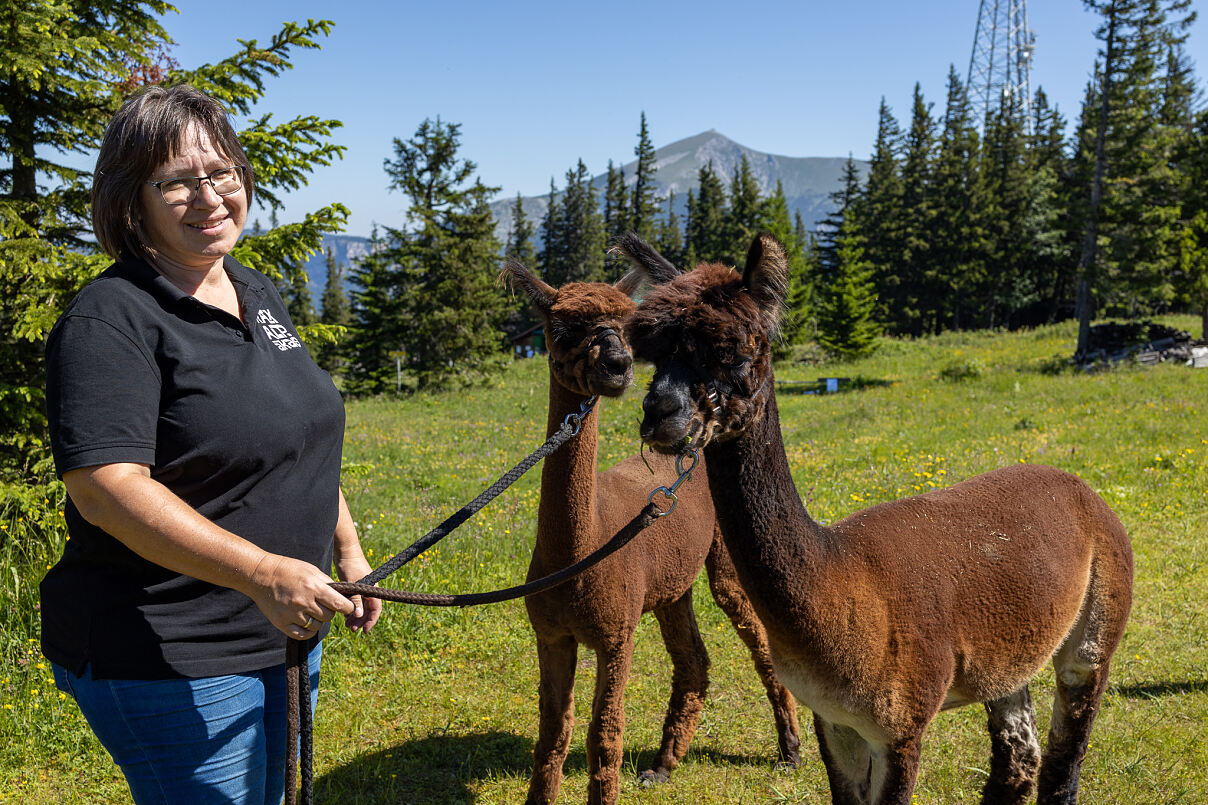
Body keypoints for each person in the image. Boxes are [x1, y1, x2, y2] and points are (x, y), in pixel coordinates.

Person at [41, 84, 382, 805]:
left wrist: (346, 548)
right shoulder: (111, 317)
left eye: (221, 172)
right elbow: (106, 487)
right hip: (173, 653)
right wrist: (262, 571)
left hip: (283, 628)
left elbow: (301, 434)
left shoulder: (254, 291)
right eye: (177, 181)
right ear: (132, 201)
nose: (209, 196)